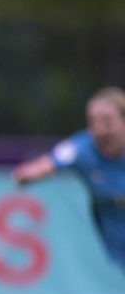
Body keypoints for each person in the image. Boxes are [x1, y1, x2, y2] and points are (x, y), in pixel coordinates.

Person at [12, 86, 125, 271]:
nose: (99, 130)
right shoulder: (82, 149)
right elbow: (51, 161)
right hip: (116, 233)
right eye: (93, 122)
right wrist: (29, 174)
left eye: (107, 121)